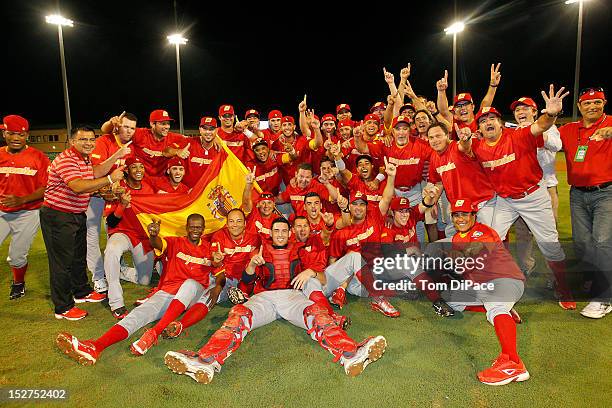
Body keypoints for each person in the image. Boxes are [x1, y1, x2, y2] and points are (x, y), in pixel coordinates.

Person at [163, 217, 386, 383]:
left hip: (292, 296)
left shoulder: (299, 249)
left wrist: (309, 272)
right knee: (239, 315)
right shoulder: (260, 250)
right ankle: (206, 361)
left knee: (317, 315)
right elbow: (245, 285)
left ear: (289, 233)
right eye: (276, 230)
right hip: (263, 298)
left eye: (283, 230)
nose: (280, 233)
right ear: (270, 232)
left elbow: (322, 276)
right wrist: (251, 265)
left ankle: (350, 355)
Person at [457, 85, 575, 310]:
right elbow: (465, 148)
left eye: (492, 118)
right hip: (505, 200)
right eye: (483, 120)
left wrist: (550, 114)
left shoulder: (518, 135)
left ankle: (564, 286)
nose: (488, 122)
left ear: (501, 123)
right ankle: (495, 282)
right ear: (479, 128)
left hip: (533, 195)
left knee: (550, 244)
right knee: (490, 239)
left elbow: (540, 125)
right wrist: (464, 140)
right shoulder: (479, 145)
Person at [55, 214, 224, 364]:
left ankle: (154, 333)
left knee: (189, 284)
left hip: (192, 294)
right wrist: (153, 234)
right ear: (187, 228)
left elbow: (220, 274)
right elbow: (156, 243)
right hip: (168, 292)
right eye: (192, 226)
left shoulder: (209, 249)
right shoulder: (175, 242)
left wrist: (217, 283)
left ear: (203, 229)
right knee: (137, 315)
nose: (195, 230)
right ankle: (96, 346)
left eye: (199, 227)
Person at [41, 126, 127, 320]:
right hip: (58, 215)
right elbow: (78, 186)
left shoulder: (83, 158)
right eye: (83, 139)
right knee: (61, 263)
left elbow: (94, 172)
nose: (88, 143)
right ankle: (63, 307)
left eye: (91, 139)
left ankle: (81, 292)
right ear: (72, 142)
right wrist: (109, 179)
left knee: (77, 256)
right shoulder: (66, 159)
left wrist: (115, 157)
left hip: (76, 213)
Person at [442, 198, 527, 386]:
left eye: (465, 214)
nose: (460, 219)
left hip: (506, 280)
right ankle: (506, 313)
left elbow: (473, 252)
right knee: (449, 298)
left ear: (474, 215)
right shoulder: (457, 238)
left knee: (496, 307)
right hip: (484, 286)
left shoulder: (483, 232)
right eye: (456, 215)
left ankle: (513, 363)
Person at [558, 87, 612, 319]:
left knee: (602, 242)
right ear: (579, 106)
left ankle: (604, 298)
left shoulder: (610, 123)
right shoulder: (570, 129)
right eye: (587, 103)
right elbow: (541, 136)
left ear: (604, 103)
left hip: (606, 192)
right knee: (582, 242)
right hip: (578, 193)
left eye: (597, 102)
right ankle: (593, 278)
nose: (592, 107)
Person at [509, 97, 562, 275]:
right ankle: (527, 268)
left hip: (546, 188)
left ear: (534, 111)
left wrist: (538, 132)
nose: (521, 112)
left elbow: (557, 145)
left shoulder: (549, 126)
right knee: (523, 235)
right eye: (517, 110)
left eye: (525, 108)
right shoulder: (514, 132)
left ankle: (553, 275)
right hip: (523, 192)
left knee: (548, 237)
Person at [0, 115, 50, 299]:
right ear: (4, 133)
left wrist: (22, 200)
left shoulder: (39, 157)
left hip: (28, 212)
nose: (15, 138)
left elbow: (47, 188)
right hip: (2, 210)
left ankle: (18, 283)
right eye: (11, 133)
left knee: (17, 255)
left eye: (20, 134)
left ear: (26, 135)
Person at [88, 111, 137, 293]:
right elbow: (96, 172)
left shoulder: (133, 144)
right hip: (93, 196)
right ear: (118, 126)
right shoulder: (104, 142)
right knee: (92, 238)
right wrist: (116, 156)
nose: (129, 131)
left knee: (113, 234)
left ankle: (118, 268)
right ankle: (99, 277)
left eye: (132, 128)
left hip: (115, 197)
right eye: (125, 126)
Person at [103, 156, 156, 319]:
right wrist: (122, 205)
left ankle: (120, 270)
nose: (139, 170)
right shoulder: (118, 189)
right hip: (122, 233)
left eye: (141, 167)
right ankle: (116, 302)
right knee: (111, 251)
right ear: (127, 170)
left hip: (142, 237)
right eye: (134, 167)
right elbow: (111, 222)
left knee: (144, 281)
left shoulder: (148, 188)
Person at [426, 122, 496, 237]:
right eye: (431, 137)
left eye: (438, 136)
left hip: (481, 204)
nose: (435, 140)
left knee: (485, 243)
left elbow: (465, 147)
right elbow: (438, 182)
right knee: (455, 240)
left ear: (447, 135)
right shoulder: (434, 157)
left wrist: (466, 138)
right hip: (460, 209)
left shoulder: (456, 147)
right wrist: (433, 202)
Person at [101, 109, 186, 177]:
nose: (167, 127)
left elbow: (192, 140)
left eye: (168, 124)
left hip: (161, 179)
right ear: (152, 124)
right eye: (163, 124)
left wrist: (178, 151)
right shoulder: (140, 134)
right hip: (141, 179)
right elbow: (105, 130)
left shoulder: (174, 137)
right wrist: (111, 123)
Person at [182, 116, 220, 188]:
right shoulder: (189, 142)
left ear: (217, 130)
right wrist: (177, 151)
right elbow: (167, 150)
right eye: (205, 128)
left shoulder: (220, 148)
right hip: (189, 192)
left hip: (209, 193)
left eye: (211, 129)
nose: (208, 132)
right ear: (200, 129)